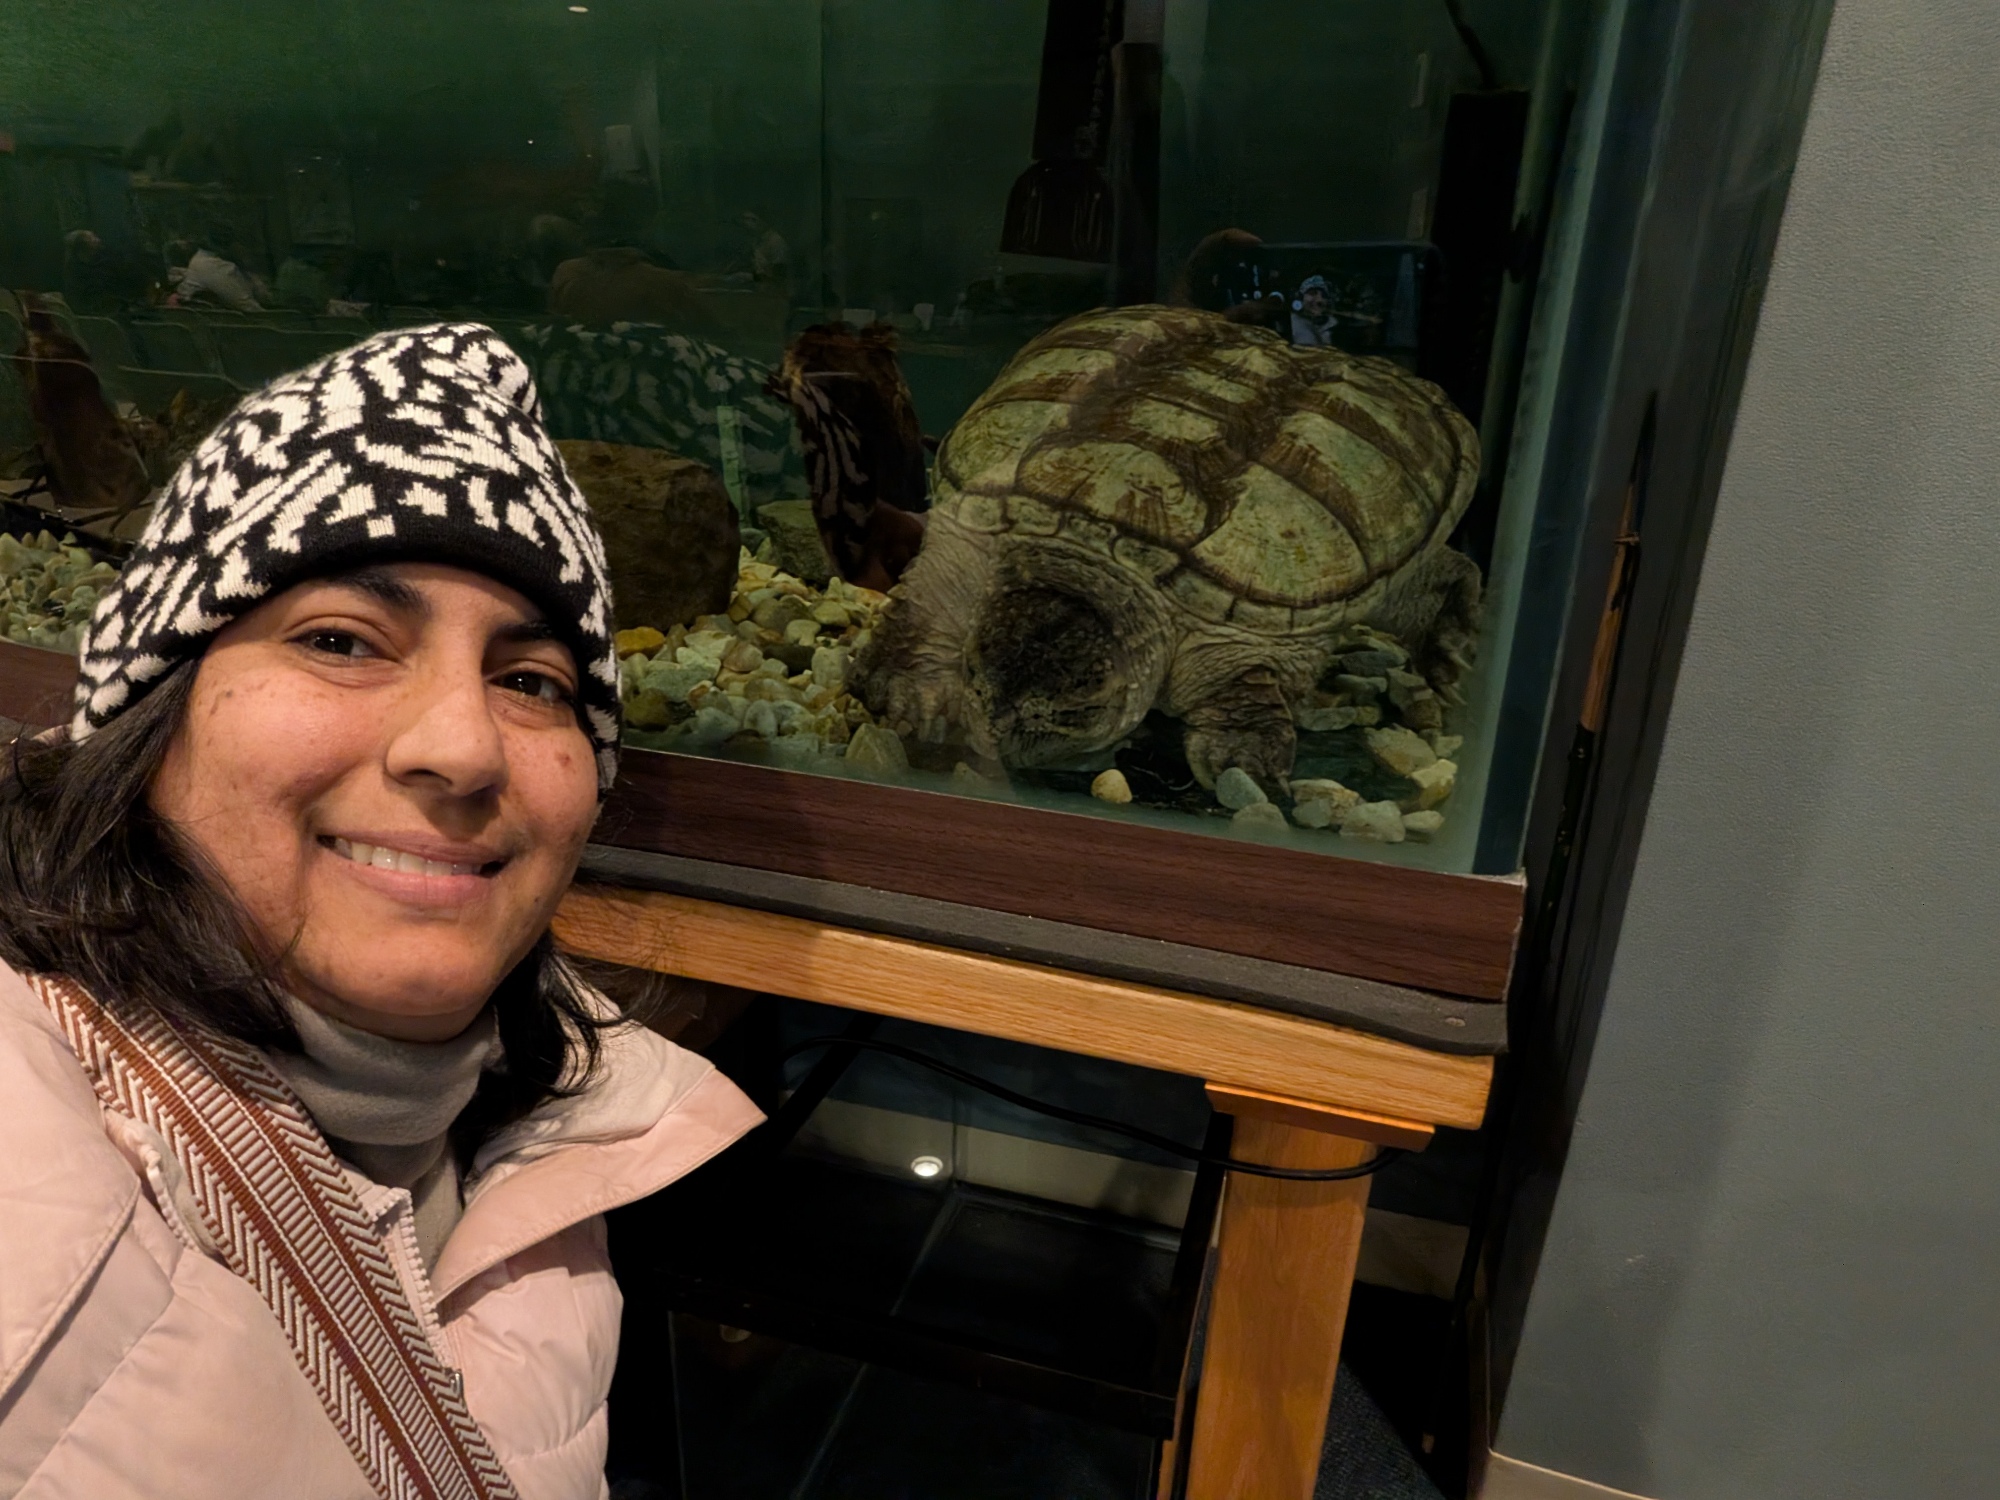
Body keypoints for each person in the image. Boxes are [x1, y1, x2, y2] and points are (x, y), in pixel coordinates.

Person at [0, 324, 763, 1499]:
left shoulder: (547, 1121)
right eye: (341, 642)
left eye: (530, 681)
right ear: (149, 719)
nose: (462, 748)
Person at [1290, 273, 1338, 347]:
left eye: (1324, 295)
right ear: (1300, 298)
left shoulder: (1333, 325)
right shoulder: (1289, 322)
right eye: (1312, 293)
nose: (1319, 300)